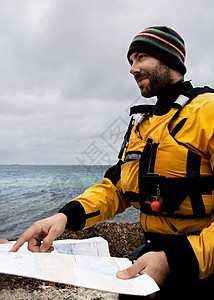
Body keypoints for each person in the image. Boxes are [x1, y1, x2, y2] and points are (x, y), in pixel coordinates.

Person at [10, 26, 214, 299]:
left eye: (141, 58)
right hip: (148, 257)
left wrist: (174, 261)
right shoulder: (143, 124)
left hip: (199, 264)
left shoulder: (208, 111)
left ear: (169, 59)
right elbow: (115, 188)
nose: (132, 69)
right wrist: (63, 216)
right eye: (131, 62)